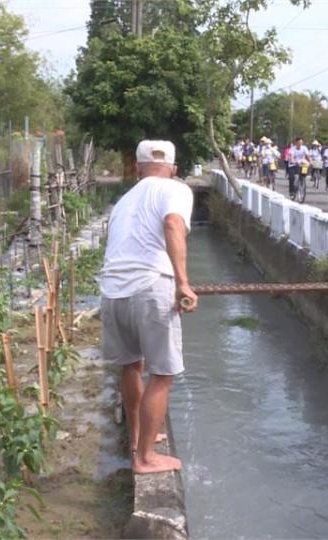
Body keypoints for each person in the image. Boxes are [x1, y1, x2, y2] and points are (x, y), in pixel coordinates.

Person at [100, 140, 198, 474]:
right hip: (150, 285)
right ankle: (145, 458)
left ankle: (137, 438)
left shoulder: (124, 200)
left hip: (112, 290)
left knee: (130, 365)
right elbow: (173, 225)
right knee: (163, 373)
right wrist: (183, 282)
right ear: (173, 166)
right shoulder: (175, 189)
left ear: (138, 167)